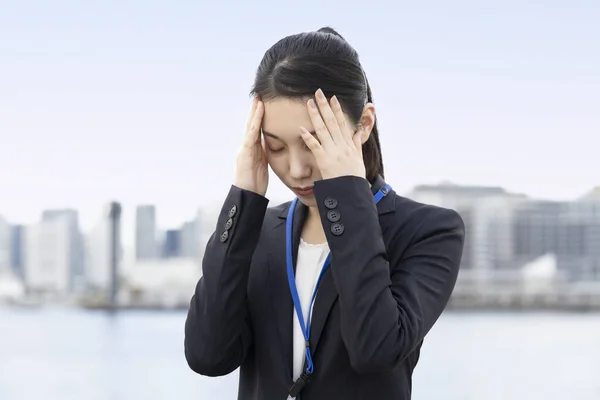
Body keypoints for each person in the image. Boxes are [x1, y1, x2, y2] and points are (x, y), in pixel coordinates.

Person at [184, 26, 465, 400]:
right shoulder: (261, 229)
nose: (297, 169)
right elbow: (208, 355)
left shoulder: (429, 231)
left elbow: (376, 349)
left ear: (363, 125)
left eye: (312, 142)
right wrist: (243, 198)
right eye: (276, 147)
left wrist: (346, 193)